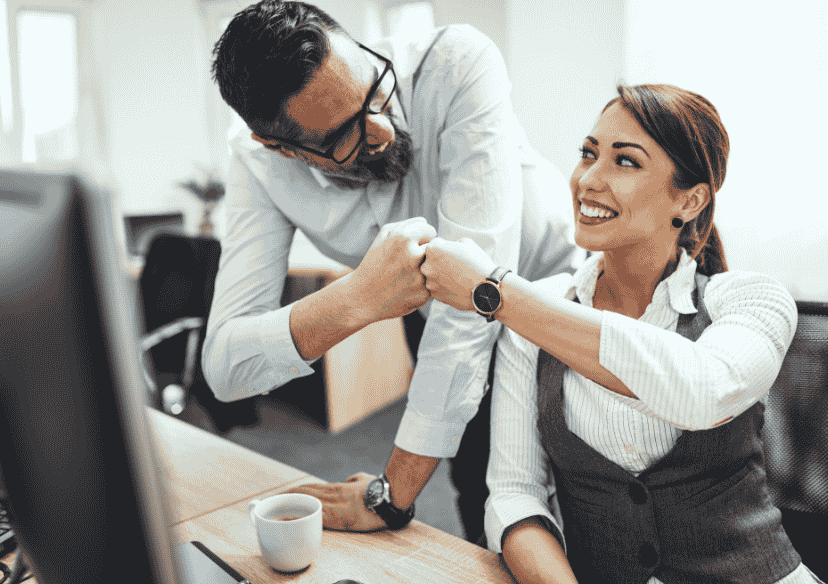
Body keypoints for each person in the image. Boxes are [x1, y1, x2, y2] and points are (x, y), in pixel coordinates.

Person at [204, 0, 579, 543]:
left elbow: (472, 299)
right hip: (433, 316)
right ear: (278, 147)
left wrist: (390, 495)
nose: (381, 129)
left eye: (375, 89)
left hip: (559, 297)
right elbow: (224, 366)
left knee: (587, 500)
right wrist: (354, 300)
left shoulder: (454, 65)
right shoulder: (256, 164)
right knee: (481, 487)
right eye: (341, 137)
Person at [420, 83, 823, 583]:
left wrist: (496, 293)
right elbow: (514, 493)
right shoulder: (537, 311)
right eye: (588, 154)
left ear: (691, 199)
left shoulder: (750, 300)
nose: (588, 180)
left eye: (625, 162)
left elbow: (699, 390)